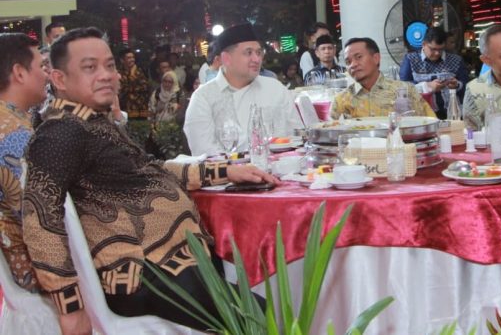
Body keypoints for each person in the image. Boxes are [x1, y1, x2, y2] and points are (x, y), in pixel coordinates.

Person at [22, 27, 277, 335]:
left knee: (257, 297)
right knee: (262, 317)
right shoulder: (60, 133)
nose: (106, 75)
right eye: (90, 68)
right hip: (146, 271)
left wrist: (223, 172)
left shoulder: (91, 122)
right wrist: (70, 308)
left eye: (110, 65)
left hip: (170, 260)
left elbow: (150, 169)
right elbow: (39, 217)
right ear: (59, 79)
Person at [184, 23, 303, 156]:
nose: (256, 59)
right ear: (226, 58)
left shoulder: (275, 89)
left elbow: (297, 136)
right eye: (248, 53)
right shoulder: (204, 97)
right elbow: (203, 152)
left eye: (259, 53)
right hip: (228, 169)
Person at [0, 33, 48, 291]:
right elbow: (40, 219)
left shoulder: (13, 120)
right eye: (42, 66)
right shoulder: (14, 136)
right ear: (19, 72)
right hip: (33, 272)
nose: (47, 74)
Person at [331, 37, 435, 119]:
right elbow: (330, 133)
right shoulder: (341, 100)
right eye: (348, 62)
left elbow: (430, 124)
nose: (353, 65)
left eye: (359, 57)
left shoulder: (405, 90)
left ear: (376, 58)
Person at [399, 27, 469, 119]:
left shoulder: (456, 60)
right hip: (421, 115)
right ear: (424, 44)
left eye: (441, 49)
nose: (437, 53)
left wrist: (457, 85)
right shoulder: (411, 60)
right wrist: (427, 86)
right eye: (433, 49)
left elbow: (467, 86)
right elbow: (403, 87)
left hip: (452, 113)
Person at [118, 48, 150, 119]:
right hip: (126, 110)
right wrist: (132, 76)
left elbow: (145, 87)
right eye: (129, 58)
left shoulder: (139, 71)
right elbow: (122, 90)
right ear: (122, 60)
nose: (132, 59)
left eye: (133, 57)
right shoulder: (119, 74)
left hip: (142, 109)